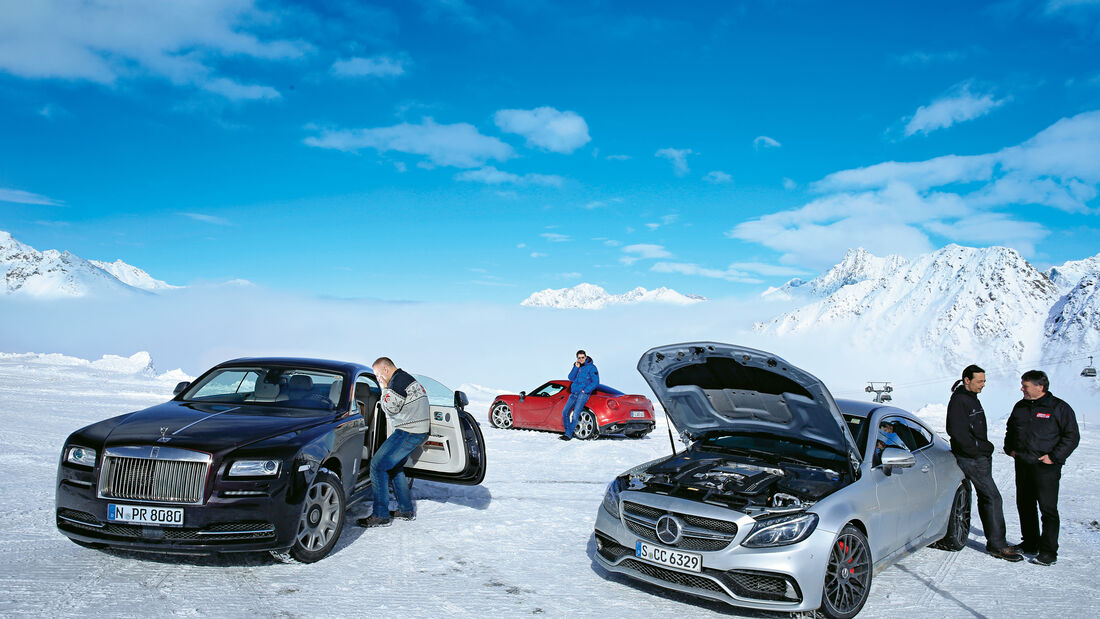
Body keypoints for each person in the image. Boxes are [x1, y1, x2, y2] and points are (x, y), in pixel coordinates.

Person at [945, 365, 1022, 562]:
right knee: (992, 497)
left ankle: (996, 542)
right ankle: (997, 545)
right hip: (971, 458)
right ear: (967, 380)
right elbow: (956, 431)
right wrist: (977, 450)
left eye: (984, 381)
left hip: (978, 456)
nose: (983, 385)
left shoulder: (970, 398)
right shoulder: (960, 400)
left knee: (989, 497)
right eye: (980, 381)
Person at [1004, 370, 1079, 566]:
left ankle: (1048, 551)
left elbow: (1072, 436)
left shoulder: (1059, 408)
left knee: (1047, 509)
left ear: (1040, 387)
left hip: (1045, 467)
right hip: (1023, 464)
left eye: (1025, 386)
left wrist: (1054, 457)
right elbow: (1011, 428)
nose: (1022, 389)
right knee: (1025, 505)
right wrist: (1010, 448)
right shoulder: (1020, 406)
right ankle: (1030, 543)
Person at [357, 357, 431, 528]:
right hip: (416, 430)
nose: (377, 378)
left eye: (377, 374)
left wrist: (383, 389)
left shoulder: (397, 383)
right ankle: (405, 510)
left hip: (409, 431)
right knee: (395, 467)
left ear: (385, 370)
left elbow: (390, 407)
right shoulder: (406, 379)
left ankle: (380, 514)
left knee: (377, 465)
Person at [560, 349, 599, 441]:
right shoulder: (578, 367)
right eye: (579, 358)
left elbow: (596, 382)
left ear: (586, 357)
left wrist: (585, 391)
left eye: (582, 358)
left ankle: (568, 435)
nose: (581, 359)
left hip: (583, 394)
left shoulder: (592, 367)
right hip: (574, 393)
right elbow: (570, 378)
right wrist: (575, 368)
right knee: (565, 412)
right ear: (577, 358)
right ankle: (568, 432)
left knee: (575, 414)